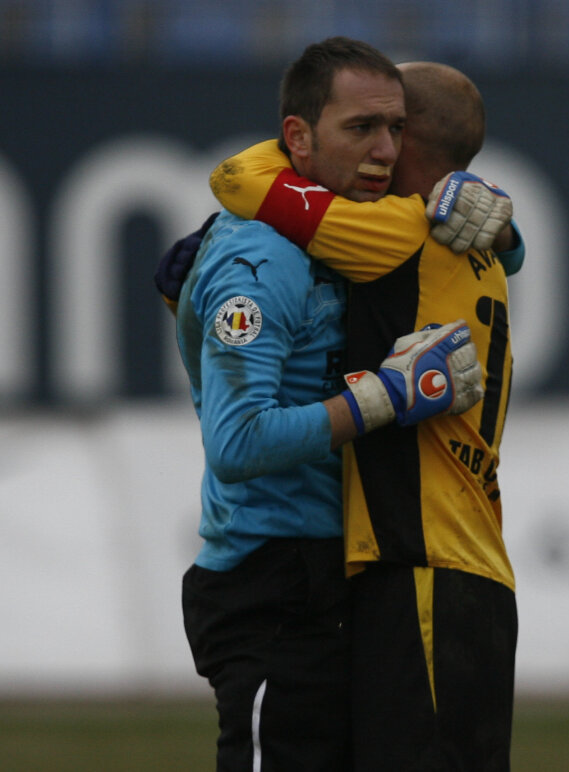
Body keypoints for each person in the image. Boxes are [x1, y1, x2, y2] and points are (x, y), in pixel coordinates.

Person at [171, 38, 484, 771]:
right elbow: (238, 443)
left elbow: (487, 245)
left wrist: (495, 216)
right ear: (298, 139)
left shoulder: (352, 230)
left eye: (396, 130)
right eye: (360, 129)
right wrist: (388, 397)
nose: (384, 151)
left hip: (352, 572)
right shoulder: (259, 261)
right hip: (270, 581)